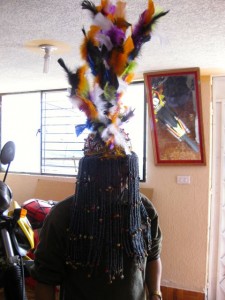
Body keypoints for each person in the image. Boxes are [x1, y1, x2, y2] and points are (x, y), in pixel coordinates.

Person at [31, 1, 168, 299]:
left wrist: (155, 293)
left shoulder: (143, 209)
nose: (117, 178)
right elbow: (45, 279)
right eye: (108, 170)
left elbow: (154, 255)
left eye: (123, 170)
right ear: (90, 172)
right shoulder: (65, 216)